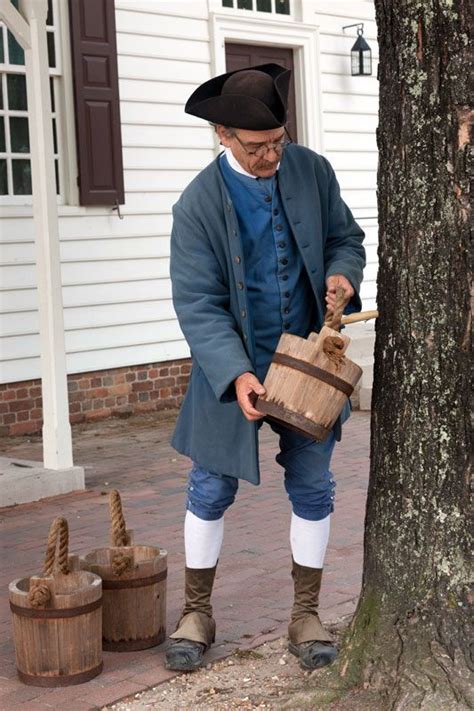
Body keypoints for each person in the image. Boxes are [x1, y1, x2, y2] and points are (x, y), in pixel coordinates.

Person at [165, 63, 366, 673]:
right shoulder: (196, 203)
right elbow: (197, 304)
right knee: (210, 487)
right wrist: (235, 372)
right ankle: (197, 612)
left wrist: (343, 275)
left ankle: (305, 614)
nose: (272, 156)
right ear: (223, 135)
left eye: (279, 141)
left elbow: (346, 238)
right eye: (257, 147)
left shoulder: (312, 169)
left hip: (309, 364)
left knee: (313, 484)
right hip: (236, 365)